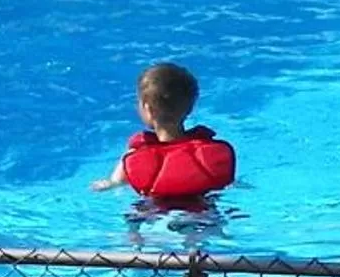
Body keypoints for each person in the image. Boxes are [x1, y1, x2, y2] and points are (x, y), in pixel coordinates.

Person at [92, 61, 235, 207]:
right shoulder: (208, 150)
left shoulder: (135, 154)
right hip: (202, 208)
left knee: (137, 214)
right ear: (190, 108)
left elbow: (116, 182)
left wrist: (106, 184)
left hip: (154, 210)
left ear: (147, 109)